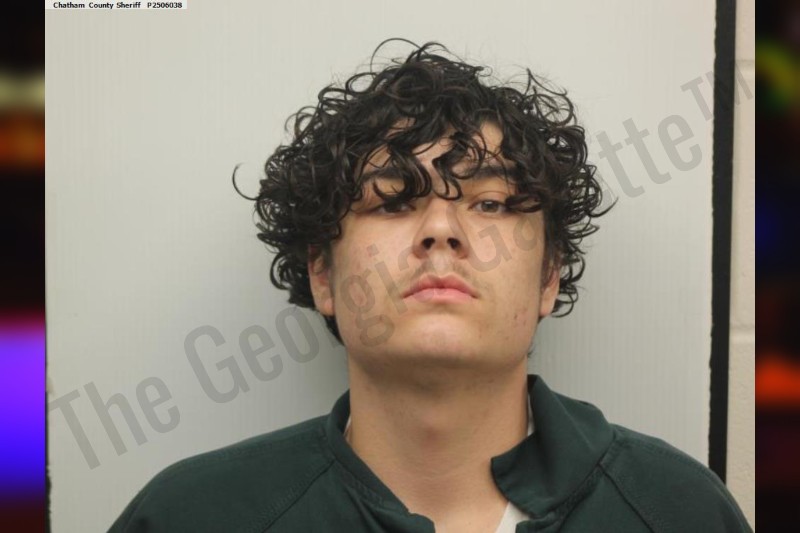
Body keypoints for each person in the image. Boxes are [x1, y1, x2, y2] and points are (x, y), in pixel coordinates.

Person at [109, 41, 751, 532]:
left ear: (548, 277)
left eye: (491, 203)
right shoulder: (191, 516)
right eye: (392, 201)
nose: (441, 231)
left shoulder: (679, 512)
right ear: (323, 274)